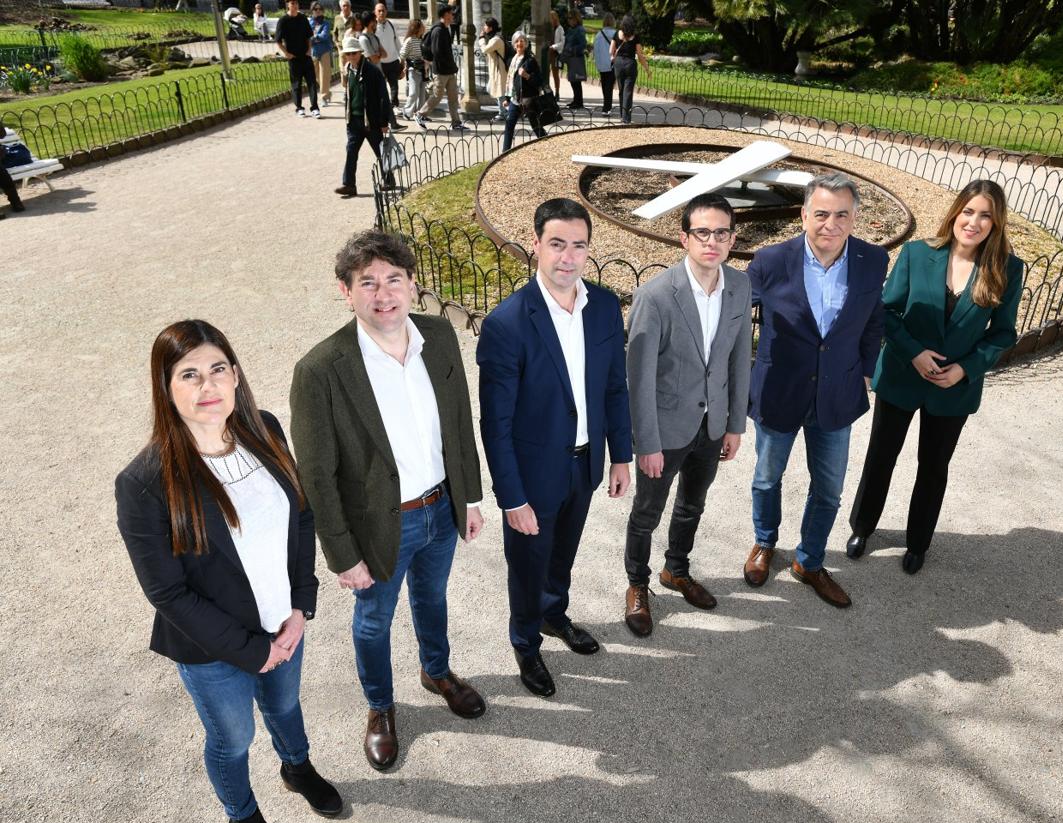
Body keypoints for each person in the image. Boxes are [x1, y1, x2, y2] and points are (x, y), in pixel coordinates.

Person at [115, 320, 342, 823]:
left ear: (236, 375)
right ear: (167, 391)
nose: (207, 385)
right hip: (211, 647)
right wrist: (248, 650)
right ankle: (242, 815)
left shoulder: (263, 428)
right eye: (188, 375)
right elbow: (166, 592)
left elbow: (300, 514)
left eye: (217, 369)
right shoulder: (144, 482)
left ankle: (296, 767)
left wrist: (299, 605)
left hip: (283, 620)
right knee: (233, 737)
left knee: (285, 705)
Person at [290, 230, 488, 773]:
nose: (383, 294)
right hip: (381, 527)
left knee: (433, 599)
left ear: (412, 285)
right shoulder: (321, 370)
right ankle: (380, 707)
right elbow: (317, 475)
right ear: (345, 291)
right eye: (368, 283)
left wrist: (468, 498)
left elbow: (458, 427)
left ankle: (437, 671)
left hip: (440, 510)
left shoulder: (439, 337)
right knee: (374, 622)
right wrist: (342, 554)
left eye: (394, 280)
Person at [477, 198, 633, 698]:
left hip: (584, 465)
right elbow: (494, 424)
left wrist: (622, 454)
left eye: (579, 246)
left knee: (561, 556)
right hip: (532, 477)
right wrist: (511, 498)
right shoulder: (508, 324)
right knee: (527, 565)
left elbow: (614, 388)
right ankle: (525, 642)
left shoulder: (605, 307)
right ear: (537, 244)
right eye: (557, 244)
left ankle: (552, 615)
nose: (568, 257)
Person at [846, 180, 1024, 574]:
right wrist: (914, 353)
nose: (974, 222)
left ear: (997, 223)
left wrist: (966, 368)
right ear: (956, 212)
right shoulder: (916, 254)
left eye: (985, 216)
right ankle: (863, 526)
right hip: (902, 376)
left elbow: (1003, 333)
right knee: (881, 456)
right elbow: (886, 312)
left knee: (933, 465)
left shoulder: (1008, 269)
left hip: (953, 388)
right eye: (968, 211)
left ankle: (918, 542)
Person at [743, 173, 887, 609]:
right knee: (767, 477)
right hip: (779, 391)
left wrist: (865, 371)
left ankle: (810, 560)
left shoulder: (872, 259)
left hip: (837, 394)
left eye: (842, 214)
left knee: (829, 488)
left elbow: (873, 320)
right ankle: (765, 543)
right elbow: (731, 317)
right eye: (821, 213)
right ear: (804, 215)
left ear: (855, 217)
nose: (831, 223)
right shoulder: (769, 261)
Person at [622, 194, 753, 637]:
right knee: (647, 512)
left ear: (732, 239)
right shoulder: (655, 296)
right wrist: (647, 443)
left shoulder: (739, 286)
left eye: (721, 233)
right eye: (703, 232)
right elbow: (638, 378)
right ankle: (637, 585)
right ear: (684, 237)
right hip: (666, 428)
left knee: (692, 505)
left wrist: (735, 423)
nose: (712, 241)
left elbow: (739, 359)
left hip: (712, 425)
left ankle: (676, 570)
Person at [334, 34, 399, 198]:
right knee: (351, 151)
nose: (351, 57)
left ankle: (389, 180)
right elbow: (349, 94)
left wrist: (384, 121)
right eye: (348, 54)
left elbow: (383, 96)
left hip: (372, 121)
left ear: (360, 53)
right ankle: (349, 185)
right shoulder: (348, 69)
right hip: (354, 120)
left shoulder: (372, 71)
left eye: (353, 53)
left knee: (380, 151)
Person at [418, 5, 469, 132]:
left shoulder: (446, 29)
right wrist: (448, 64)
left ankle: (456, 122)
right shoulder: (438, 31)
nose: (453, 16)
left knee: (453, 97)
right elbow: (437, 52)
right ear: (445, 15)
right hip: (441, 71)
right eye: (451, 14)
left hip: (449, 70)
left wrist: (452, 66)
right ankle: (420, 115)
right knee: (437, 96)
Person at [500, 31, 546, 152]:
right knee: (509, 125)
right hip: (515, 100)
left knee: (536, 126)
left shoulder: (530, 61)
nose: (519, 43)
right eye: (517, 41)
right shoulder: (512, 60)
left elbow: (539, 80)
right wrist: (507, 98)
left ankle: (549, 145)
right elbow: (510, 81)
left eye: (522, 41)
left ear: (526, 44)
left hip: (528, 99)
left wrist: (527, 76)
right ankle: (505, 153)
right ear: (514, 44)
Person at [276, 0, 320, 117]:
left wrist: (309, 50)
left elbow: (308, 36)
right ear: (288, 5)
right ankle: (299, 108)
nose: (295, 6)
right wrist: (286, 53)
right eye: (292, 3)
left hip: (305, 56)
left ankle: (315, 107)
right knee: (296, 84)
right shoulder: (283, 21)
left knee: (311, 82)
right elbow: (278, 40)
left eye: (296, 3)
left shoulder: (303, 18)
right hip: (294, 58)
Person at [610, 14, 650, 124]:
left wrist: (614, 56)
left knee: (621, 90)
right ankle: (626, 118)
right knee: (628, 91)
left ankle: (622, 115)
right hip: (630, 64)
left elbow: (610, 51)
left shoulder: (617, 34)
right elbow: (640, 55)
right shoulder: (635, 37)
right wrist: (647, 69)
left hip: (618, 64)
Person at [374, 2, 404, 112]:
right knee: (380, 87)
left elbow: (397, 43)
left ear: (386, 11)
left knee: (394, 86)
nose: (381, 13)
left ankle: (394, 106)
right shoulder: (372, 27)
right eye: (379, 11)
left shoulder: (391, 25)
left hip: (393, 61)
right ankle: (382, 107)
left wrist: (402, 58)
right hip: (379, 63)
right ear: (375, 12)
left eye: (383, 10)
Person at [399, 18, 428, 124]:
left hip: (423, 70)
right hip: (413, 70)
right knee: (413, 92)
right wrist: (402, 67)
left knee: (422, 94)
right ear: (417, 28)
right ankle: (407, 112)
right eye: (422, 27)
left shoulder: (422, 40)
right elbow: (402, 54)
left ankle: (419, 113)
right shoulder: (410, 40)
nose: (424, 28)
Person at [478, 17, 507, 119]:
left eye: (485, 25)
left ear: (490, 28)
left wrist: (481, 39)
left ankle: (503, 113)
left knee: (499, 92)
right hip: (495, 70)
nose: (484, 27)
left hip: (499, 70)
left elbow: (485, 50)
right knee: (491, 89)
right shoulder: (493, 38)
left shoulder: (496, 40)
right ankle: (505, 110)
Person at [592, 12, 617, 115]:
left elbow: (595, 50)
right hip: (612, 63)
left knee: (605, 85)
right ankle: (607, 107)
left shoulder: (598, 34)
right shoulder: (615, 34)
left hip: (601, 64)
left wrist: (597, 62)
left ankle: (606, 106)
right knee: (609, 86)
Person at [309, 3, 333, 107]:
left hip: (324, 51)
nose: (318, 10)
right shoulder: (310, 22)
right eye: (315, 9)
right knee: (315, 75)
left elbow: (324, 36)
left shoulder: (326, 23)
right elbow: (307, 34)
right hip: (313, 51)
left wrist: (313, 37)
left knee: (324, 75)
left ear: (322, 10)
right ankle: (327, 92)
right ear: (312, 10)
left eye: (320, 9)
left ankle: (323, 97)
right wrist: (314, 38)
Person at [562, 9, 587, 109]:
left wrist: (572, 49)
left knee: (576, 80)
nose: (569, 20)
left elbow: (583, 44)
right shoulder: (570, 29)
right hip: (570, 58)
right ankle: (576, 100)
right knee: (573, 80)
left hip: (576, 57)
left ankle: (579, 102)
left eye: (571, 18)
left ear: (576, 19)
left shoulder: (580, 30)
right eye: (568, 18)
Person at [331, 0, 354, 72]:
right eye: (344, 6)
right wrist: (337, 44)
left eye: (348, 5)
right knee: (343, 70)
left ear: (350, 6)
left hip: (352, 48)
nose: (346, 7)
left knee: (353, 69)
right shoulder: (337, 18)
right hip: (341, 48)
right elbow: (334, 32)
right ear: (341, 7)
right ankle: (344, 83)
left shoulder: (354, 17)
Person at [547, 10, 564, 101]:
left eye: (551, 19)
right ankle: (548, 92)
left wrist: (554, 47)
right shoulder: (548, 28)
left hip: (555, 53)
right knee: (545, 73)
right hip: (547, 53)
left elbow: (562, 42)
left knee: (555, 74)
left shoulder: (559, 28)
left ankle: (557, 92)